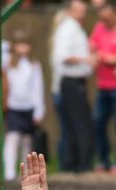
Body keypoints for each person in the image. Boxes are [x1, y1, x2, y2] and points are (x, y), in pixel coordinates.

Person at [90, 2, 116, 174]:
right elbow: (92, 47)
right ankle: (103, 159)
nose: (104, 22)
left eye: (107, 19)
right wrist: (98, 56)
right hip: (102, 85)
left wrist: (107, 58)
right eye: (102, 19)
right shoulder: (99, 27)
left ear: (115, 14)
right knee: (99, 123)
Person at [52, 0, 94, 173]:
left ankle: (73, 163)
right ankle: (81, 165)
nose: (83, 15)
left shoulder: (74, 28)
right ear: (70, 11)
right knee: (79, 123)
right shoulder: (68, 29)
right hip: (71, 82)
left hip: (74, 82)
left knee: (72, 124)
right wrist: (86, 59)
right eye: (79, 11)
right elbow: (63, 55)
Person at [3, 30, 45, 182]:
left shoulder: (34, 65)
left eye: (25, 45)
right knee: (12, 138)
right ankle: (8, 171)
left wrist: (39, 110)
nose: (22, 48)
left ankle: (26, 172)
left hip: (29, 107)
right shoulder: (8, 62)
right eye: (19, 45)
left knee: (27, 141)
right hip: (14, 106)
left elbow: (37, 88)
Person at [49, 8, 69, 170]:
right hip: (62, 90)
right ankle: (64, 162)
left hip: (58, 90)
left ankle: (64, 162)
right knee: (66, 128)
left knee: (66, 127)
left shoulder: (55, 41)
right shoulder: (60, 42)